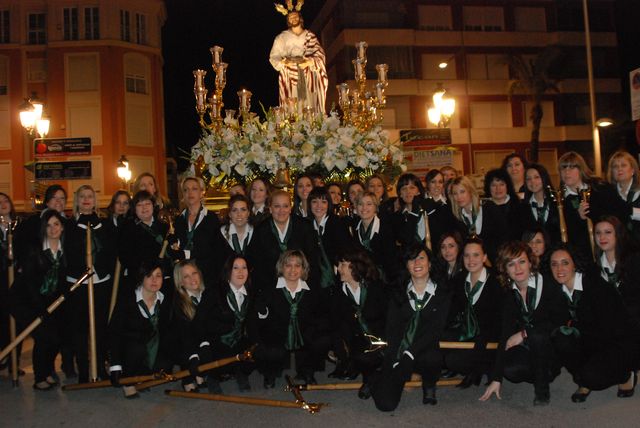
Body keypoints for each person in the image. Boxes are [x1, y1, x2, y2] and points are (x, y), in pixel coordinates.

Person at [480, 241, 567, 406]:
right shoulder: (509, 294)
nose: (518, 269)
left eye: (522, 262)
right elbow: (504, 334)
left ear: (530, 263)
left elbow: (559, 322)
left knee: (537, 337)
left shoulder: (549, 285)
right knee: (510, 370)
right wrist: (496, 378)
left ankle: (542, 391)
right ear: (505, 268)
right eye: (511, 264)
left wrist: (523, 334)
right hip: (529, 347)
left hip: (551, 346)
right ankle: (538, 372)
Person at [548, 244, 638, 402]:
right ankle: (582, 380)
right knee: (562, 338)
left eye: (565, 263)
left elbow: (612, 329)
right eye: (554, 264)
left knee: (594, 377)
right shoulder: (556, 291)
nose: (559, 269)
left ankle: (626, 375)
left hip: (615, 343)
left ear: (575, 264)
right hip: (588, 340)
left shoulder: (595, 286)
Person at [371, 243, 452, 411]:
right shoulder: (397, 293)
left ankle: (429, 385)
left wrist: (410, 355)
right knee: (386, 405)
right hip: (400, 350)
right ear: (406, 266)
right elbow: (392, 331)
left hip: (424, 349)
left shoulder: (443, 292)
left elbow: (434, 331)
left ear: (430, 263)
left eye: (421, 258)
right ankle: (374, 378)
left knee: (433, 357)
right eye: (411, 260)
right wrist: (394, 361)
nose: (416, 263)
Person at [254, 250, 330, 388]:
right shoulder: (269, 289)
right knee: (271, 350)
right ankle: (270, 373)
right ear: (281, 267)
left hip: (304, 332)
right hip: (278, 333)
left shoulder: (312, 290)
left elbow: (321, 314)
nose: (293, 270)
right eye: (288, 265)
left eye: (297, 265)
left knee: (320, 340)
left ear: (303, 269)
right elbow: (260, 319)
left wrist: (312, 330)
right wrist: (262, 312)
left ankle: (307, 371)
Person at [64, 185, 117, 383]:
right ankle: (84, 369)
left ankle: (100, 366)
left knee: (100, 327)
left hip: (100, 282)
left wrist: (101, 269)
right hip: (78, 284)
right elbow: (67, 253)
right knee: (79, 328)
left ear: (95, 201)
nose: (86, 199)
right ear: (77, 200)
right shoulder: (69, 226)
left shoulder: (105, 226)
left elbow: (110, 253)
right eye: (82, 196)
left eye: (90, 196)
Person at [10, 211, 67, 390]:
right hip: (24, 299)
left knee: (56, 338)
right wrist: (40, 308)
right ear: (43, 228)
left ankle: (47, 371)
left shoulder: (64, 251)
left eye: (56, 224)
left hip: (47, 300)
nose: (52, 229)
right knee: (43, 336)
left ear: (62, 227)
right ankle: (39, 377)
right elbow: (29, 283)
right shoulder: (35, 250)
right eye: (48, 225)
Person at [443, 237, 502, 388]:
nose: (471, 260)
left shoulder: (496, 282)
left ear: (484, 257)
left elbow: (498, 322)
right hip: (467, 332)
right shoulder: (459, 279)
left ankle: (484, 367)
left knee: (454, 361)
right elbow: (451, 310)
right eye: (467, 255)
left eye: (476, 255)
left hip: (489, 337)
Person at [108, 261, 173, 398]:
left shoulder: (165, 301)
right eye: (149, 275)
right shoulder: (127, 300)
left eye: (158, 276)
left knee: (166, 363)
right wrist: (115, 366)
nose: (154, 280)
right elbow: (114, 333)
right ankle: (129, 381)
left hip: (152, 349)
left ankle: (144, 375)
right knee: (136, 349)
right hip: (130, 350)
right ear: (142, 277)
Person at [193, 256, 257, 393]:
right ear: (228, 271)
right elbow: (200, 320)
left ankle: (240, 372)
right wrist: (204, 343)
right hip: (218, 339)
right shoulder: (214, 291)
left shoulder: (251, 292)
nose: (241, 272)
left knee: (258, 352)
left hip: (240, 338)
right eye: (236, 268)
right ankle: (213, 377)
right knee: (219, 359)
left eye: (244, 268)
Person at [329, 249, 387, 399]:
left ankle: (373, 377)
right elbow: (336, 324)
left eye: (342, 264)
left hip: (382, 337)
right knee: (360, 357)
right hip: (358, 340)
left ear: (355, 266)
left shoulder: (376, 287)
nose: (338, 268)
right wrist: (342, 350)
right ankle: (370, 376)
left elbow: (389, 318)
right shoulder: (337, 292)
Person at [594, 216, 640, 394]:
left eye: (607, 232)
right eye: (598, 233)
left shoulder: (635, 260)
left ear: (618, 235)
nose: (602, 237)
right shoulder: (595, 267)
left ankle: (630, 370)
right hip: (612, 319)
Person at [558, 151, 627, 260]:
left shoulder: (600, 188)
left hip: (610, 248)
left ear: (581, 169)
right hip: (581, 254)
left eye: (572, 167)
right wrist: (578, 217)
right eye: (563, 168)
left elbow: (620, 213)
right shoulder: (560, 199)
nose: (567, 172)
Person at [249, 190, 318, 292]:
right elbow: (258, 264)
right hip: (270, 286)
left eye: (285, 206)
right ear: (270, 209)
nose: (281, 210)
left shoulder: (304, 227)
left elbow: (312, 258)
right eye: (277, 206)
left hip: (301, 284)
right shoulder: (261, 230)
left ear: (290, 208)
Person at [269, 7, 328, 114]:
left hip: (308, 73)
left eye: (295, 16)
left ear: (300, 18)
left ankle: (312, 125)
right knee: (292, 100)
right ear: (288, 21)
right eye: (290, 18)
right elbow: (274, 56)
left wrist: (310, 62)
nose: (293, 19)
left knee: (309, 100)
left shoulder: (309, 35)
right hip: (289, 74)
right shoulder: (282, 37)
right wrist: (283, 62)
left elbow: (320, 53)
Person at [172, 177, 224, 286]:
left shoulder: (211, 218)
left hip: (207, 274)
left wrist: (186, 254)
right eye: (186, 190)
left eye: (194, 189)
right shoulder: (178, 220)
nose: (190, 193)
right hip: (185, 276)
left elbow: (215, 249)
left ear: (201, 193)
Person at [118, 191, 170, 295]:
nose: (144, 208)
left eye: (147, 204)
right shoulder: (127, 228)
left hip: (163, 278)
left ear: (153, 205)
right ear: (134, 208)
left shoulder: (164, 226)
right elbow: (125, 256)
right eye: (139, 205)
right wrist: (146, 272)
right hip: (139, 279)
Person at [168, 260, 206, 392]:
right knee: (187, 347)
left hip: (202, 339)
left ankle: (202, 372)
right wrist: (193, 355)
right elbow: (184, 335)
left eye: (194, 273)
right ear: (180, 282)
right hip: (183, 343)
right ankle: (188, 378)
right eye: (186, 276)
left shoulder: (207, 295)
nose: (192, 279)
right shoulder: (178, 303)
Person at [450, 176, 505, 264]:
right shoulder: (457, 218)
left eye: (462, 192)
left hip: (498, 261)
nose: (459, 197)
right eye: (455, 193)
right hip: (474, 264)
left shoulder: (489, 207)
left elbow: (504, 235)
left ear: (470, 191)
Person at [14, 184, 67, 270]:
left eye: (62, 198)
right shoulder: (32, 222)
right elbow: (22, 246)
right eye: (54, 198)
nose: (58, 201)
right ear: (47, 202)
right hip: (36, 270)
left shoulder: (68, 223)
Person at [352, 191, 399, 283]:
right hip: (362, 279)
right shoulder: (353, 228)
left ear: (376, 207)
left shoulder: (386, 227)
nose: (364, 208)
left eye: (369, 204)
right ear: (356, 208)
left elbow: (391, 260)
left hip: (385, 279)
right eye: (360, 204)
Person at [308, 187, 350, 289]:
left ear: (329, 204)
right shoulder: (306, 225)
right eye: (314, 202)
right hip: (315, 280)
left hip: (337, 279)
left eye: (323, 202)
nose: (319, 206)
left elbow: (345, 251)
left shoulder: (337, 224)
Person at [519, 164, 561, 245]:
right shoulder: (522, 208)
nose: (532, 181)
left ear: (544, 178)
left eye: (536, 177)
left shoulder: (557, 203)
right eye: (528, 179)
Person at [607, 150, 640, 243]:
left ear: (633, 170)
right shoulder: (609, 194)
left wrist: (630, 211)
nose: (619, 169)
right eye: (615, 166)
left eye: (623, 165)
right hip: (619, 245)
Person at [483, 169, 521, 241]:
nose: (498, 188)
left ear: (507, 186)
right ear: (488, 187)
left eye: (502, 184)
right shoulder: (483, 208)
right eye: (493, 185)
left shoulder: (518, 205)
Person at [220, 195, 255, 262]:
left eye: (243, 210)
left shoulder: (257, 233)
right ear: (230, 214)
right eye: (234, 210)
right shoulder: (220, 235)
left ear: (248, 213)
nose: (239, 214)